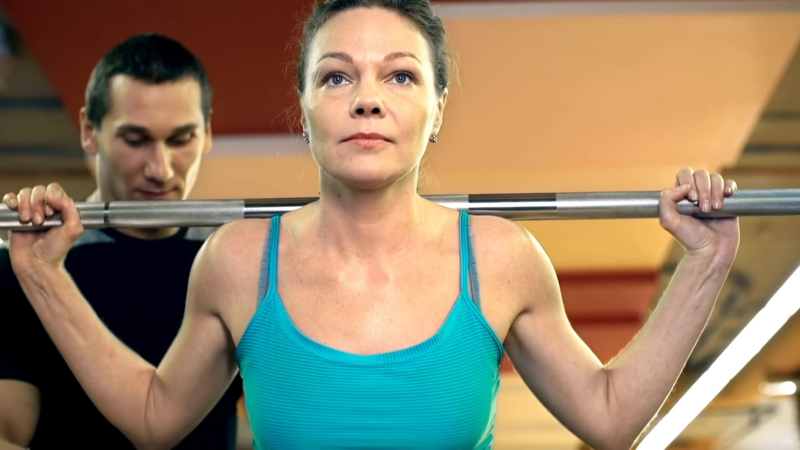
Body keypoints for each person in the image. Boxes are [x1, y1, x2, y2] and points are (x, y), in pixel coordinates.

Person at [3, 1, 740, 449]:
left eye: (400, 75)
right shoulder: (235, 260)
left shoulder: (502, 257)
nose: (366, 100)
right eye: (336, 76)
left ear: (438, 108)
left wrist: (705, 263)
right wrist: (40, 275)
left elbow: (610, 420)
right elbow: (154, 421)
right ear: (304, 107)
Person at [0, 34, 245, 449]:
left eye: (181, 139)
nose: (161, 169)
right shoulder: (21, 266)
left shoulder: (238, 262)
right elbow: (7, 432)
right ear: (89, 132)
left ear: (207, 133)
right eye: (135, 140)